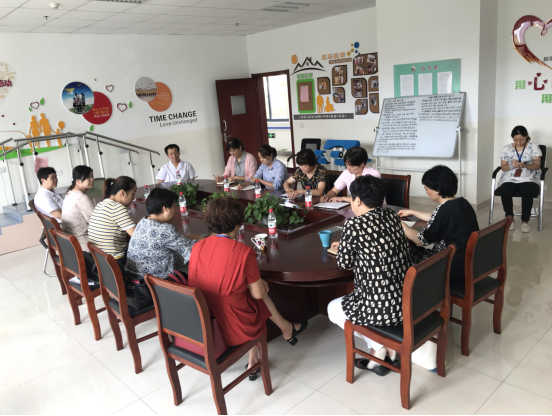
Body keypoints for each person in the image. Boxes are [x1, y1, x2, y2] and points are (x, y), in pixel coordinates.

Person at [188, 196, 308, 381]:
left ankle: (285, 329)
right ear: (239, 224)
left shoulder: (197, 247)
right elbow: (258, 294)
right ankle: (257, 357)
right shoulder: (243, 251)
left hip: (203, 320)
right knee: (256, 296)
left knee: (246, 293)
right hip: (235, 328)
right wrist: (259, 284)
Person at [327, 175, 411, 376]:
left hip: (380, 306)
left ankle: (379, 349)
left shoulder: (354, 225)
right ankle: (383, 352)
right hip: (405, 300)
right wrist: (349, 245)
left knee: (332, 309)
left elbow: (344, 264)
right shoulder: (391, 215)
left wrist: (345, 247)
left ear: (357, 200)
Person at [399, 165, 479, 285]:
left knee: (405, 255)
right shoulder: (462, 203)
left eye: (426, 189)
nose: (426, 192)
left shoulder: (444, 211)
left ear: (437, 190)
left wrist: (402, 226)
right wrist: (413, 212)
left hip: (449, 266)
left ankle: (410, 290)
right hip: (467, 262)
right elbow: (438, 218)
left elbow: (421, 240)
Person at [126, 188, 203, 281]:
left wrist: (188, 236)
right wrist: (205, 239)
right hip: (154, 283)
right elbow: (192, 250)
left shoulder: (143, 221)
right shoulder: (166, 229)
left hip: (132, 277)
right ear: (165, 208)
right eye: (174, 206)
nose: (175, 210)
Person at [497, 126, 542, 233]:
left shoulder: (533, 147)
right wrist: (512, 166)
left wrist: (526, 165)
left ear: (526, 137)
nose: (518, 142)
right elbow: (503, 167)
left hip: (529, 177)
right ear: (512, 138)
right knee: (506, 190)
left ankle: (525, 221)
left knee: (526, 190)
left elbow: (537, 165)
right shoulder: (507, 148)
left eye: (521, 140)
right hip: (510, 177)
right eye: (515, 140)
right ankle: (510, 219)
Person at [89, 176, 137, 272]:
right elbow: (137, 237)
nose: (134, 197)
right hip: (115, 262)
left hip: (99, 259)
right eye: (133, 193)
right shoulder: (118, 208)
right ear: (122, 193)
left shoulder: (100, 204)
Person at [62, 166, 95, 252]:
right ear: (78, 181)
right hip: (83, 242)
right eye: (88, 177)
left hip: (70, 240)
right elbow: (97, 223)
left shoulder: (70, 193)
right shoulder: (81, 198)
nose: (92, 179)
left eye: (92, 176)